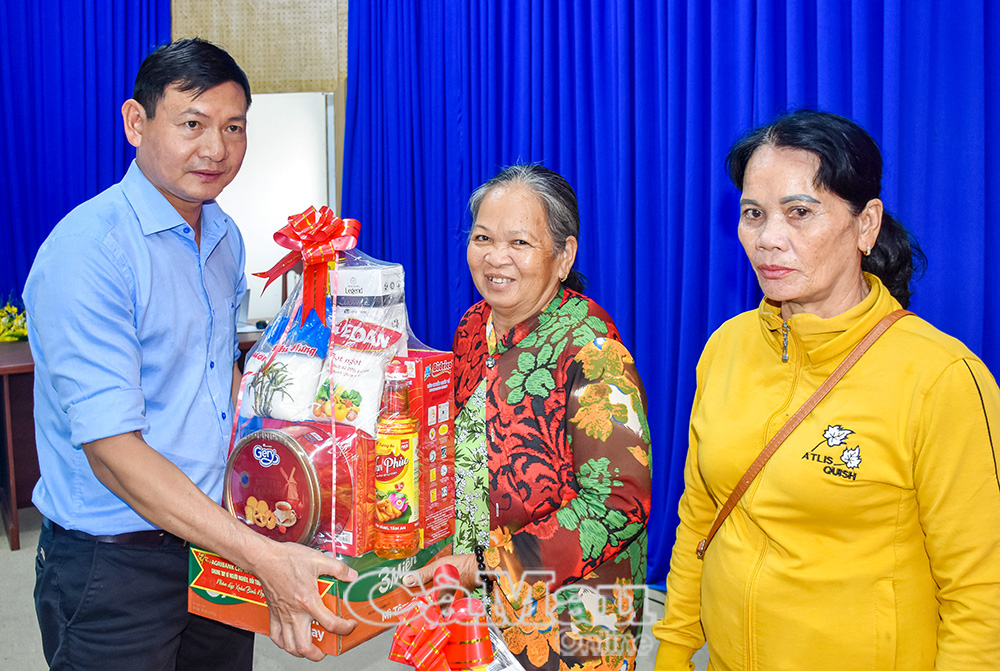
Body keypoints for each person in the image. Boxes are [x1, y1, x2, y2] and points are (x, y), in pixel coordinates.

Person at [24, 38, 357, 670]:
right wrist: (264, 557)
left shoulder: (224, 235)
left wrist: (299, 463)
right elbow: (113, 453)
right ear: (136, 123)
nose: (216, 149)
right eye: (192, 124)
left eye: (234, 127)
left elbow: (219, 374)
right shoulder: (90, 252)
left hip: (214, 543)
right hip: (115, 562)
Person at [652, 110, 1000, 670]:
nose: (768, 239)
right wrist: (671, 653)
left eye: (799, 212)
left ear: (866, 225)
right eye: (753, 214)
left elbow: (982, 594)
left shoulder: (940, 376)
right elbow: (699, 518)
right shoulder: (727, 347)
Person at [405, 164, 652, 670]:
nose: (496, 258)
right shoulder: (473, 326)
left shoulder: (593, 350)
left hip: (569, 618)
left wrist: (490, 567)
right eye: (482, 238)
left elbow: (619, 504)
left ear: (564, 256)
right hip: (471, 604)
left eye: (519, 242)